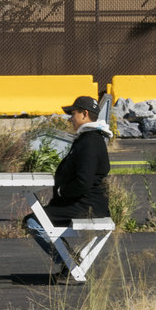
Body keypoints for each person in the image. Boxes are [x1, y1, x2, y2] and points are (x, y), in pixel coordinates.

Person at [27, 94, 111, 265]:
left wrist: (61, 192)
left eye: (73, 114)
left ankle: (68, 263)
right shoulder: (90, 138)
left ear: (84, 114)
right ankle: (69, 261)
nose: (70, 119)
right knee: (38, 217)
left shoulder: (90, 141)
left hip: (87, 206)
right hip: (87, 203)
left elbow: (83, 182)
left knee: (34, 221)